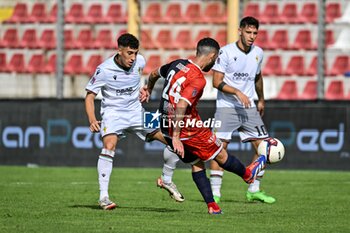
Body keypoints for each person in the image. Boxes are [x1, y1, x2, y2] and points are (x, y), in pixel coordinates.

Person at [144, 37, 266, 214]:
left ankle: (212, 206)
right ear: (212, 56)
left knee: (197, 162)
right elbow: (181, 105)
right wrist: (177, 137)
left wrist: (148, 89)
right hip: (186, 128)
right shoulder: (198, 79)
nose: (215, 63)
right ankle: (248, 175)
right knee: (221, 155)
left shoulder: (177, 64)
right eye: (215, 60)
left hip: (166, 124)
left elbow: (154, 74)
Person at [85, 33, 184, 210]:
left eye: (135, 53)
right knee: (109, 145)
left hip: (137, 112)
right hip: (113, 114)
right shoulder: (104, 70)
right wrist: (92, 119)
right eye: (129, 53)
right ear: (119, 50)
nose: (133, 58)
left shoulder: (140, 62)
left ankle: (167, 180)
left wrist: (146, 89)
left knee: (172, 140)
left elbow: (143, 80)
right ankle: (104, 197)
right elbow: (90, 96)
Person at [209, 16, 275, 204]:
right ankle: (215, 194)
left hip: (249, 108)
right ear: (240, 31)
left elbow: (257, 77)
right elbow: (216, 82)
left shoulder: (258, 53)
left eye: (255, 33)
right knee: (219, 148)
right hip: (226, 107)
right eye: (248, 32)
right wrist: (237, 92)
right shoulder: (226, 52)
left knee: (265, 148)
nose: (252, 36)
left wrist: (261, 99)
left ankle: (254, 189)